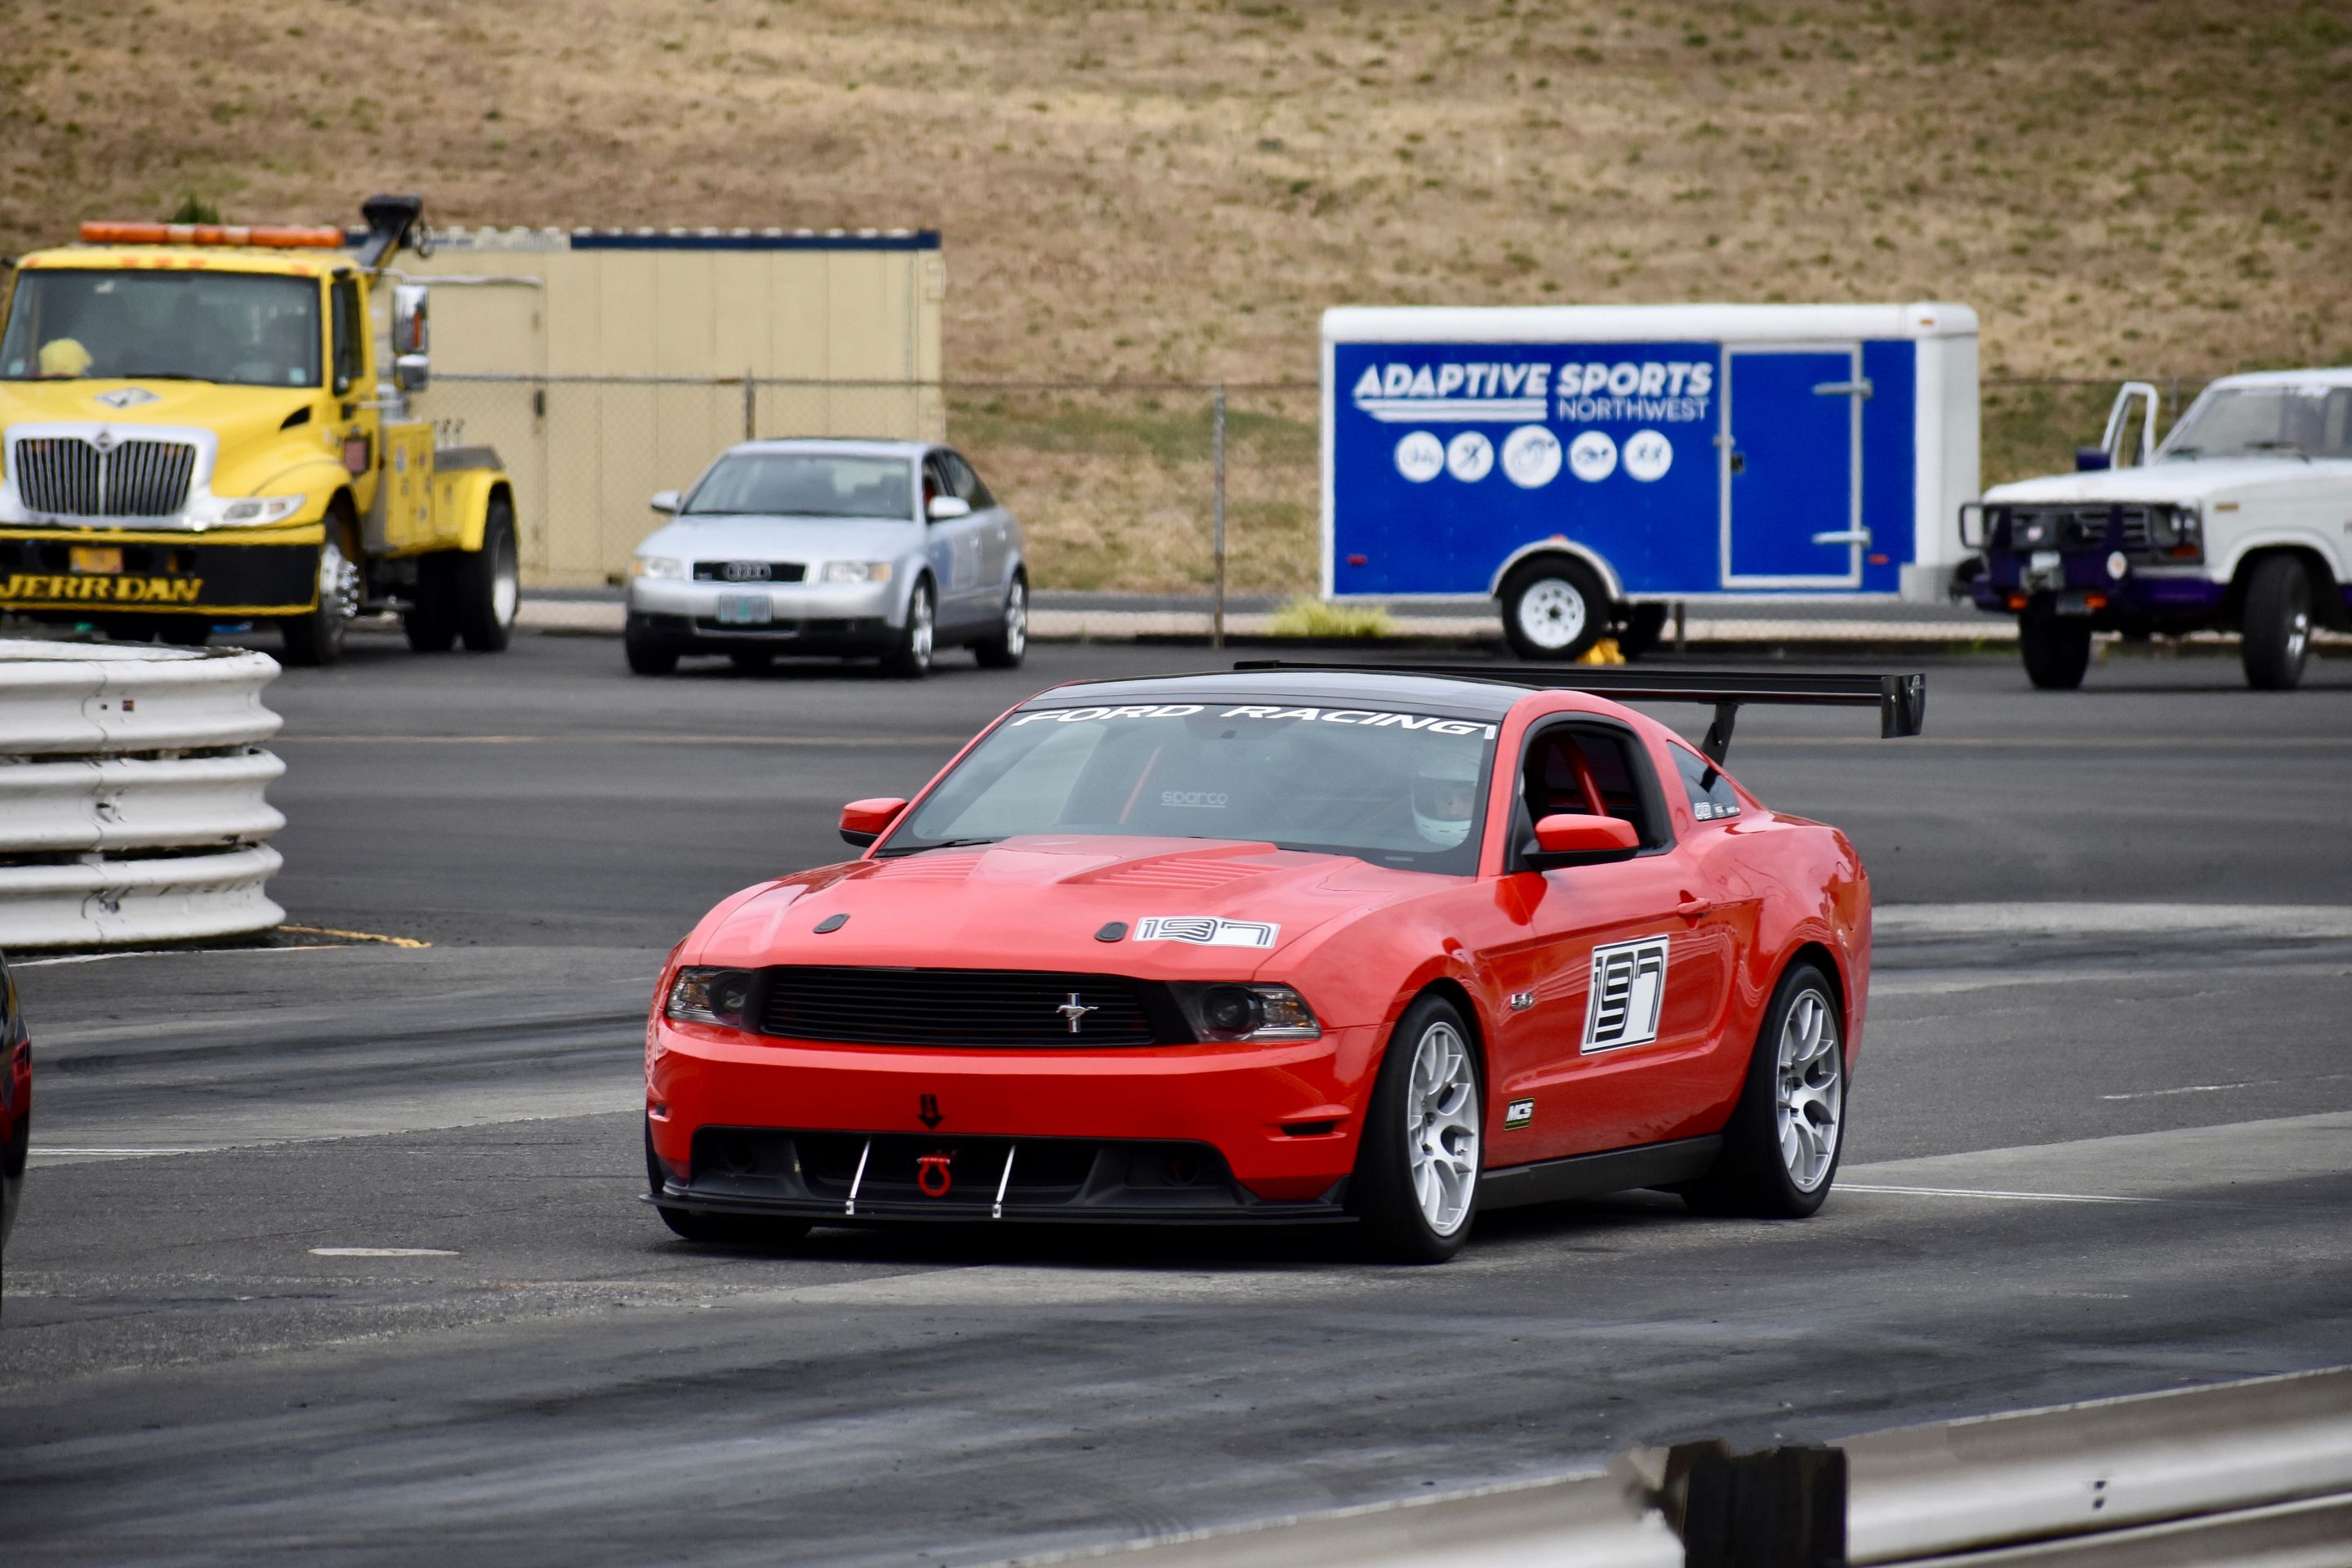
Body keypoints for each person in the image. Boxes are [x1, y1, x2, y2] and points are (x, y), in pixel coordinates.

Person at [1411, 747, 1480, 849]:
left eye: (1466, 799)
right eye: (1444, 798)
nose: (1453, 811)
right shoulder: (1398, 840)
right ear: (1431, 799)